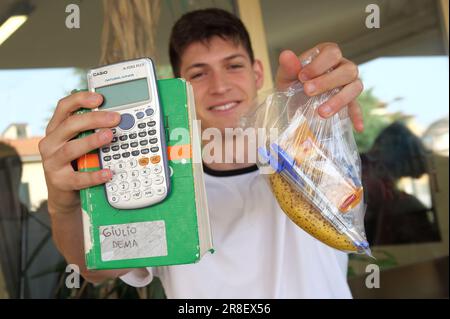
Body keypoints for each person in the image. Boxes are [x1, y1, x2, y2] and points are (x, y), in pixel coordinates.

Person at [39, 8, 364, 298]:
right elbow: (97, 269)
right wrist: (61, 206)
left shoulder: (307, 156)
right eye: (198, 73)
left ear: (257, 74)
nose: (220, 86)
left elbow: (342, 201)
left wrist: (308, 106)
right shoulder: (162, 185)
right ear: (179, 87)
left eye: (233, 66)